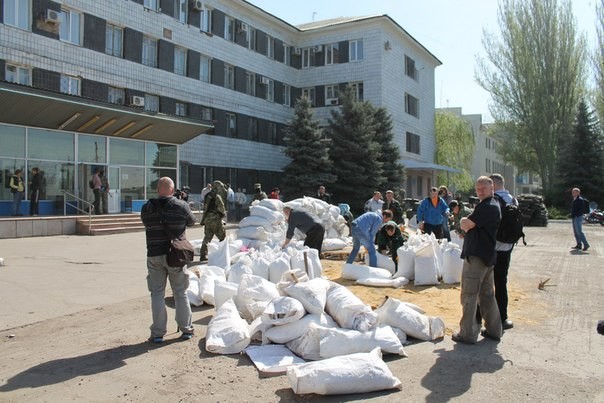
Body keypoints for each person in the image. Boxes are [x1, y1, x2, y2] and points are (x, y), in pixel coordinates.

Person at [140, 177, 196, 343]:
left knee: (157, 293)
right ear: (172, 190)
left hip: (154, 254)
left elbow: (145, 223)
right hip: (175, 255)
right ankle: (186, 329)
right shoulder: (180, 205)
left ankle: (158, 333)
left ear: (158, 190)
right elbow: (192, 222)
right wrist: (181, 202)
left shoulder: (147, 207)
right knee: (180, 292)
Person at [452, 176, 503, 344]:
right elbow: (471, 225)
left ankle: (467, 334)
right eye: (478, 188)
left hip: (476, 258)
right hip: (487, 257)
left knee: (469, 295)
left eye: (484, 188)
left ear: (492, 188)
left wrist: (464, 221)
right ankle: (495, 330)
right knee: (487, 295)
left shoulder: (487, 206)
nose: (480, 190)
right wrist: (467, 223)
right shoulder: (491, 205)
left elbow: (466, 224)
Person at [490, 173, 519, 330]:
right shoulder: (513, 199)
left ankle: (481, 316)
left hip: (493, 247)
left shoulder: (493, 200)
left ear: (493, 185)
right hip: (508, 246)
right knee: (502, 282)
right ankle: (503, 316)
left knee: (486, 283)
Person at [199, 180, 227, 261]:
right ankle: (223, 254)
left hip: (207, 218)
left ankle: (203, 254)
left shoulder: (207, 195)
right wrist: (223, 214)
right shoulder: (217, 196)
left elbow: (205, 207)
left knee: (207, 237)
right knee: (222, 237)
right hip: (215, 219)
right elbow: (221, 208)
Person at [571, 187, 590, 252]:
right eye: (572, 192)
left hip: (578, 217)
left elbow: (581, 210)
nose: (572, 193)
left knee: (579, 232)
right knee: (576, 232)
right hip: (574, 217)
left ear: (578, 193)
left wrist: (576, 215)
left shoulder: (580, 200)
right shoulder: (574, 199)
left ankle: (586, 244)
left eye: (574, 192)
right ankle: (579, 244)